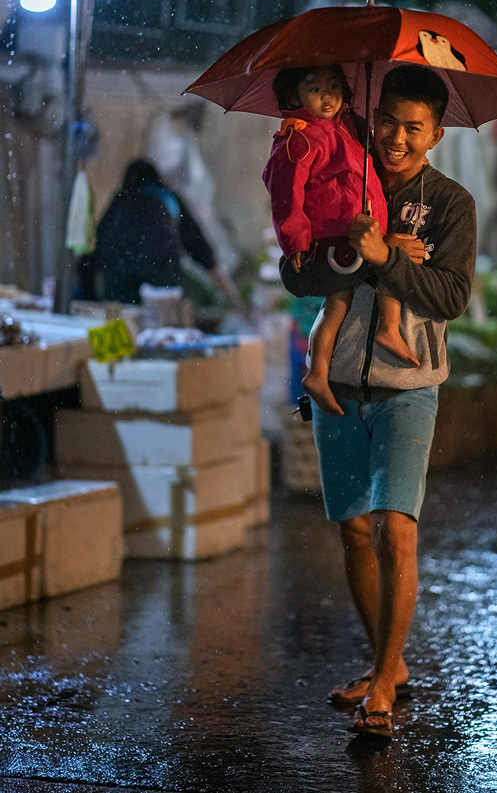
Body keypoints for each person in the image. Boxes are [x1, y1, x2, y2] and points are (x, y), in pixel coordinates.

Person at [311, 64, 476, 738]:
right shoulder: (344, 177)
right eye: (388, 122)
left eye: (413, 127)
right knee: (354, 529)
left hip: (409, 387)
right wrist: (350, 253)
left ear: (436, 132)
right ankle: (392, 661)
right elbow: (301, 273)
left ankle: (381, 682)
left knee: (394, 527)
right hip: (339, 384)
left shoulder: (451, 204)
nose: (396, 138)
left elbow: (451, 297)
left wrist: (389, 258)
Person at [262, 64, 420, 418]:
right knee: (387, 261)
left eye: (335, 87)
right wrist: (296, 241)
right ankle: (387, 331)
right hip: (335, 236)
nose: (328, 96)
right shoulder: (299, 138)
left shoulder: (343, 129)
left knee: (338, 303)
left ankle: (318, 373)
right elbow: (285, 196)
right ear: (294, 96)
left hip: (358, 228)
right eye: (315, 88)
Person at [78, 159, 237, 305]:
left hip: (119, 268)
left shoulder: (119, 202)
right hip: (160, 265)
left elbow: (92, 250)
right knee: (162, 322)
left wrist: (88, 296)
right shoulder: (168, 197)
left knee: (123, 321)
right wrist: (223, 284)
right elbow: (196, 243)